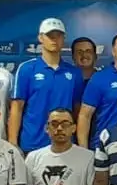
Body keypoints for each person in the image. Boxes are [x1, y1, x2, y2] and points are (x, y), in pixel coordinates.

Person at [10, 18, 84, 154]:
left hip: (65, 144)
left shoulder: (74, 73)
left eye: (58, 36)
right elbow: (17, 108)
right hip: (32, 145)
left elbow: (78, 111)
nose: (54, 40)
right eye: (50, 36)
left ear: (64, 39)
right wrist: (13, 143)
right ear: (41, 38)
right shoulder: (26, 69)